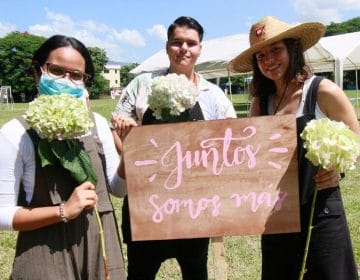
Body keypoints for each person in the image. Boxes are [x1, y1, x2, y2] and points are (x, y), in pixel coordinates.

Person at [228, 16, 360, 280]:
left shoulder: (322, 91)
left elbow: (355, 140)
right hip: (277, 217)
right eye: (261, 56)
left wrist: (338, 171)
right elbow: (251, 157)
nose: (268, 60)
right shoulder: (260, 103)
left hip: (321, 212)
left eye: (276, 50)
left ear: (292, 49)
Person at [112, 16, 236, 280]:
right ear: (167, 46)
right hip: (146, 203)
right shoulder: (141, 85)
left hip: (194, 207)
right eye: (177, 42)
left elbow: (231, 143)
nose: (184, 48)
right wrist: (130, 145)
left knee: (195, 272)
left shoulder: (214, 95)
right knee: (139, 273)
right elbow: (118, 130)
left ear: (200, 48)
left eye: (191, 43)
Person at [0, 35, 126, 279]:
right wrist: (63, 211)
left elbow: (117, 190)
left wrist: (130, 155)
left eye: (76, 75)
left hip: (101, 247)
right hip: (45, 253)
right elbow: (1, 213)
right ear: (38, 72)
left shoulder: (97, 124)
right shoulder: (15, 133)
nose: (66, 80)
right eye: (56, 70)